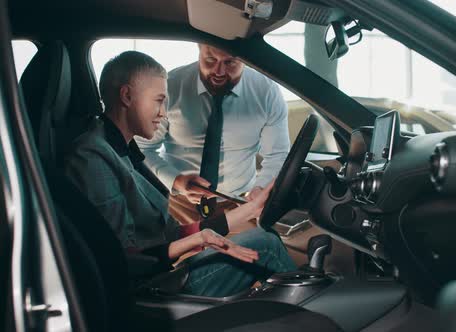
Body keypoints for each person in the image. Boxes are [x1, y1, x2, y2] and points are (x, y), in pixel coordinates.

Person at [64, 51, 296, 297]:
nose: (164, 113)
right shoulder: (92, 157)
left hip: (162, 271)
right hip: (148, 288)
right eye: (159, 100)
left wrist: (249, 209)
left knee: (263, 239)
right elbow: (122, 259)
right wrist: (197, 241)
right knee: (268, 247)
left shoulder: (122, 147)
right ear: (127, 96)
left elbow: (171, 233)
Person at [135, 44, 290, 226]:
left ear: (245, 61)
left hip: (239, 203)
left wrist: (260, 190)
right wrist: (176, 181)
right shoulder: (171, 87)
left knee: (262, 250)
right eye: (210, 60)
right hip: (177, 203)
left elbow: (277, 154)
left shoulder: (266, 92)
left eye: (230, 62)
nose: (219, 71)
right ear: (199, 50)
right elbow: (141, 150)